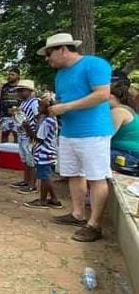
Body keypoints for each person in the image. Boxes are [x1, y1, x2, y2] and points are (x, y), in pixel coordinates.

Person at [38, 33, 113, 242]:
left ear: (63, 49)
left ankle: (95, 224)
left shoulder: (94, 64)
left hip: (93, 131)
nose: (47, 58)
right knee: (74, 174)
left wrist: (65, 107)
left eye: (49, 53)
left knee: (96, 177)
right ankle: (78, 214)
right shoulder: (60, 75)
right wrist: (52, 104)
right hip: (69, 131)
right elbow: (63, 100)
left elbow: (102, 94)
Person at [23, 93, 62, 209]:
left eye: (40, 105)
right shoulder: (49, 119)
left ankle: (43, 200)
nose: (38, 107)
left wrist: (27, 128)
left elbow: (38, 138)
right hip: (47, 153)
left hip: (44, 154)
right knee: (46, 176)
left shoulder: (48, 121)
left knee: (45, 178)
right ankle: (54, 199)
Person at [10, 80, 39, 193]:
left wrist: (34, 133)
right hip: (23, 135)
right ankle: (26, 181)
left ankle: (32, 184)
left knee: (31, 160)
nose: (19, 92)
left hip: (30, 135)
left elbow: (39, 117)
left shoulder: (34, 103)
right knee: (25, 159)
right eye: (18, 90)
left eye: (22, 90)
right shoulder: (23, 103)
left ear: (30, 91)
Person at [109, 82, 139, 170]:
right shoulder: (130, 110)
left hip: (127, 154)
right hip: (129, 153)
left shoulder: (119, 111)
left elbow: (105, 137)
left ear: (112, 96)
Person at [0, 67, 21, 143]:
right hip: (5, 115)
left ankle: (17, 153)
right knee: (4, 134)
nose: (9, 76)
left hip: (18, 115)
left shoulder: (21, 87)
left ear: (18, 76)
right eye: (8, 74)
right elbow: (0, 99)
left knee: (17, 135)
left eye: (12, 74)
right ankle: (5, 152)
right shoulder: (4, 87)